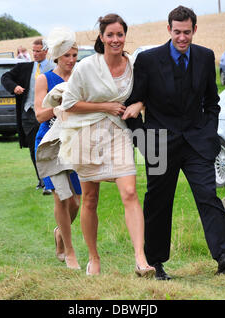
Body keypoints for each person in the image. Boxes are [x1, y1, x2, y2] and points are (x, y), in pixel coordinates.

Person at [125, 6, 225, 280]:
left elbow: (212, 103)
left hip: (196, 143)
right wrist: (144, 141)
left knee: (208, 196)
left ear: (194, 30)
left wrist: (207, 135)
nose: (182, 37)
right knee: (158, 202)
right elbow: (131, 105)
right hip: (158, 143)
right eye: (177, 32)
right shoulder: (148, 60)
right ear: (168, 30)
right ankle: (155, 264)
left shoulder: (204, 57)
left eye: (187, 32)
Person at [58, 14, 155, 277]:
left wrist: (139, 104)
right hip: (86, 134)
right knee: (89, 199)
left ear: (125, 36)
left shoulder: (135, 65)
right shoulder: (86, 67)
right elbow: (68, 104)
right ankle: (94, 258)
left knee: (130, 193)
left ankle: (140, 259)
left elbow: (150, 93)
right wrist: (105, 106)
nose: (115, 40)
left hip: (119, 133)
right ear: (101, 37)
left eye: (120, 35)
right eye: (110, 35)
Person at [34, 27, 81, 269]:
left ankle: (60, 234)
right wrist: (57, 108)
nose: (72, 60)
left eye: (75, 55)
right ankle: (70, 252)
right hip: (51, 143)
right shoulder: (45, 79)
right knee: (62, 198)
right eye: (67, 56)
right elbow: (39, 115)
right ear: (57, 57)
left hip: (77, 143)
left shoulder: (80, 76)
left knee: (76, 203)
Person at [1, 39, 56, 194]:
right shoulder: (25, 68)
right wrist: (15, 87)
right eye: (34, 51)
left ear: (46, 50)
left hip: (48, 113)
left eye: (38, 51)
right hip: (28, 113)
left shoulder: (54, 68)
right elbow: (5, 77)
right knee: (34, 148)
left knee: (50, 146)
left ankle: (51, 180)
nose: (35, 54)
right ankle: (42, 179)